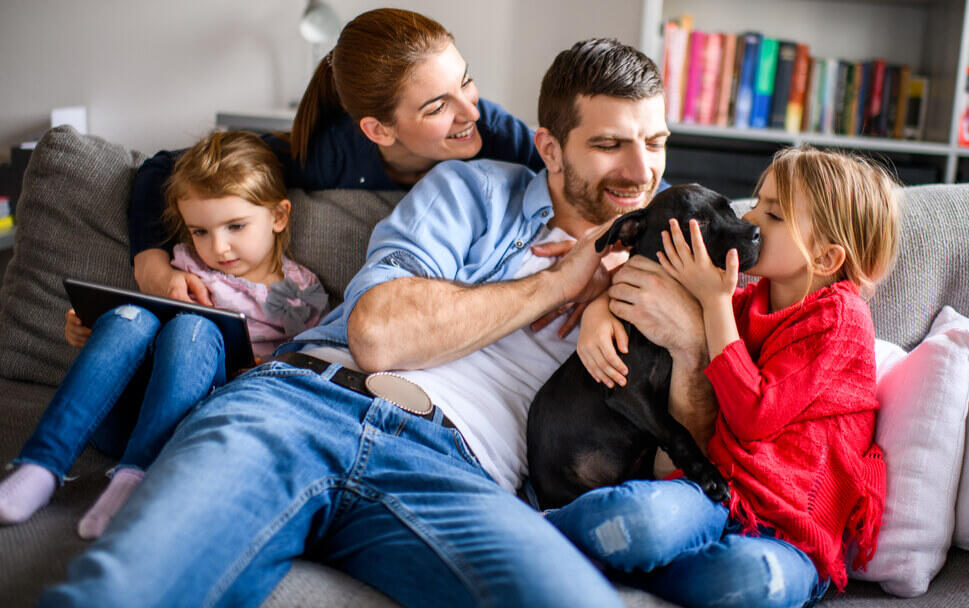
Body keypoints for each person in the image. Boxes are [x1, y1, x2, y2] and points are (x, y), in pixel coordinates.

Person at [41, 38, 669, 608]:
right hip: (304, 404)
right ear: (551, 149)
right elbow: (379, 334)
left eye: (657, 143)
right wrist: (560, 283)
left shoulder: (671, 264)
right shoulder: (471, 190)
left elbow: (701, 434)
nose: (641, 173)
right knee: (126, 590)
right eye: (611, 144)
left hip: (456, 472)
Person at [549, 146, 901, 607]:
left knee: (753, 579)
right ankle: (540, 529)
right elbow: (652, 293)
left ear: (826, 256)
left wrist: (714, 304)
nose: (751, 218)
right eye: (756, 201)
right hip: (715, 495)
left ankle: (633, 567)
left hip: (791, 536)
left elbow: (755, 414)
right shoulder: (744, 302)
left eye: (773, 215)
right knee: (636, 521)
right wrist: (598, 305)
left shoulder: (840, 320)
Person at [0, 131, 326, 540]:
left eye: (235, 226)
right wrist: (87, 329)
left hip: (196, 421)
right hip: (120, 415)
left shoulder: (295, 293)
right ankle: (40, 466)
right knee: (129, 316)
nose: (219, 247)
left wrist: (265, 369)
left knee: (195, 326)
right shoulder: (183, 264)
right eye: (200, 231)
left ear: (278, 217)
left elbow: (313, 368)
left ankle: (135, 480)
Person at [130, 8, 544, 305]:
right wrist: (152, 266)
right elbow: (163, 168)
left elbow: (573, 180)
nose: (470, 111)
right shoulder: (331, 155)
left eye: (466, 81)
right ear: (379, 130)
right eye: (437, 107)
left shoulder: (495, 132)